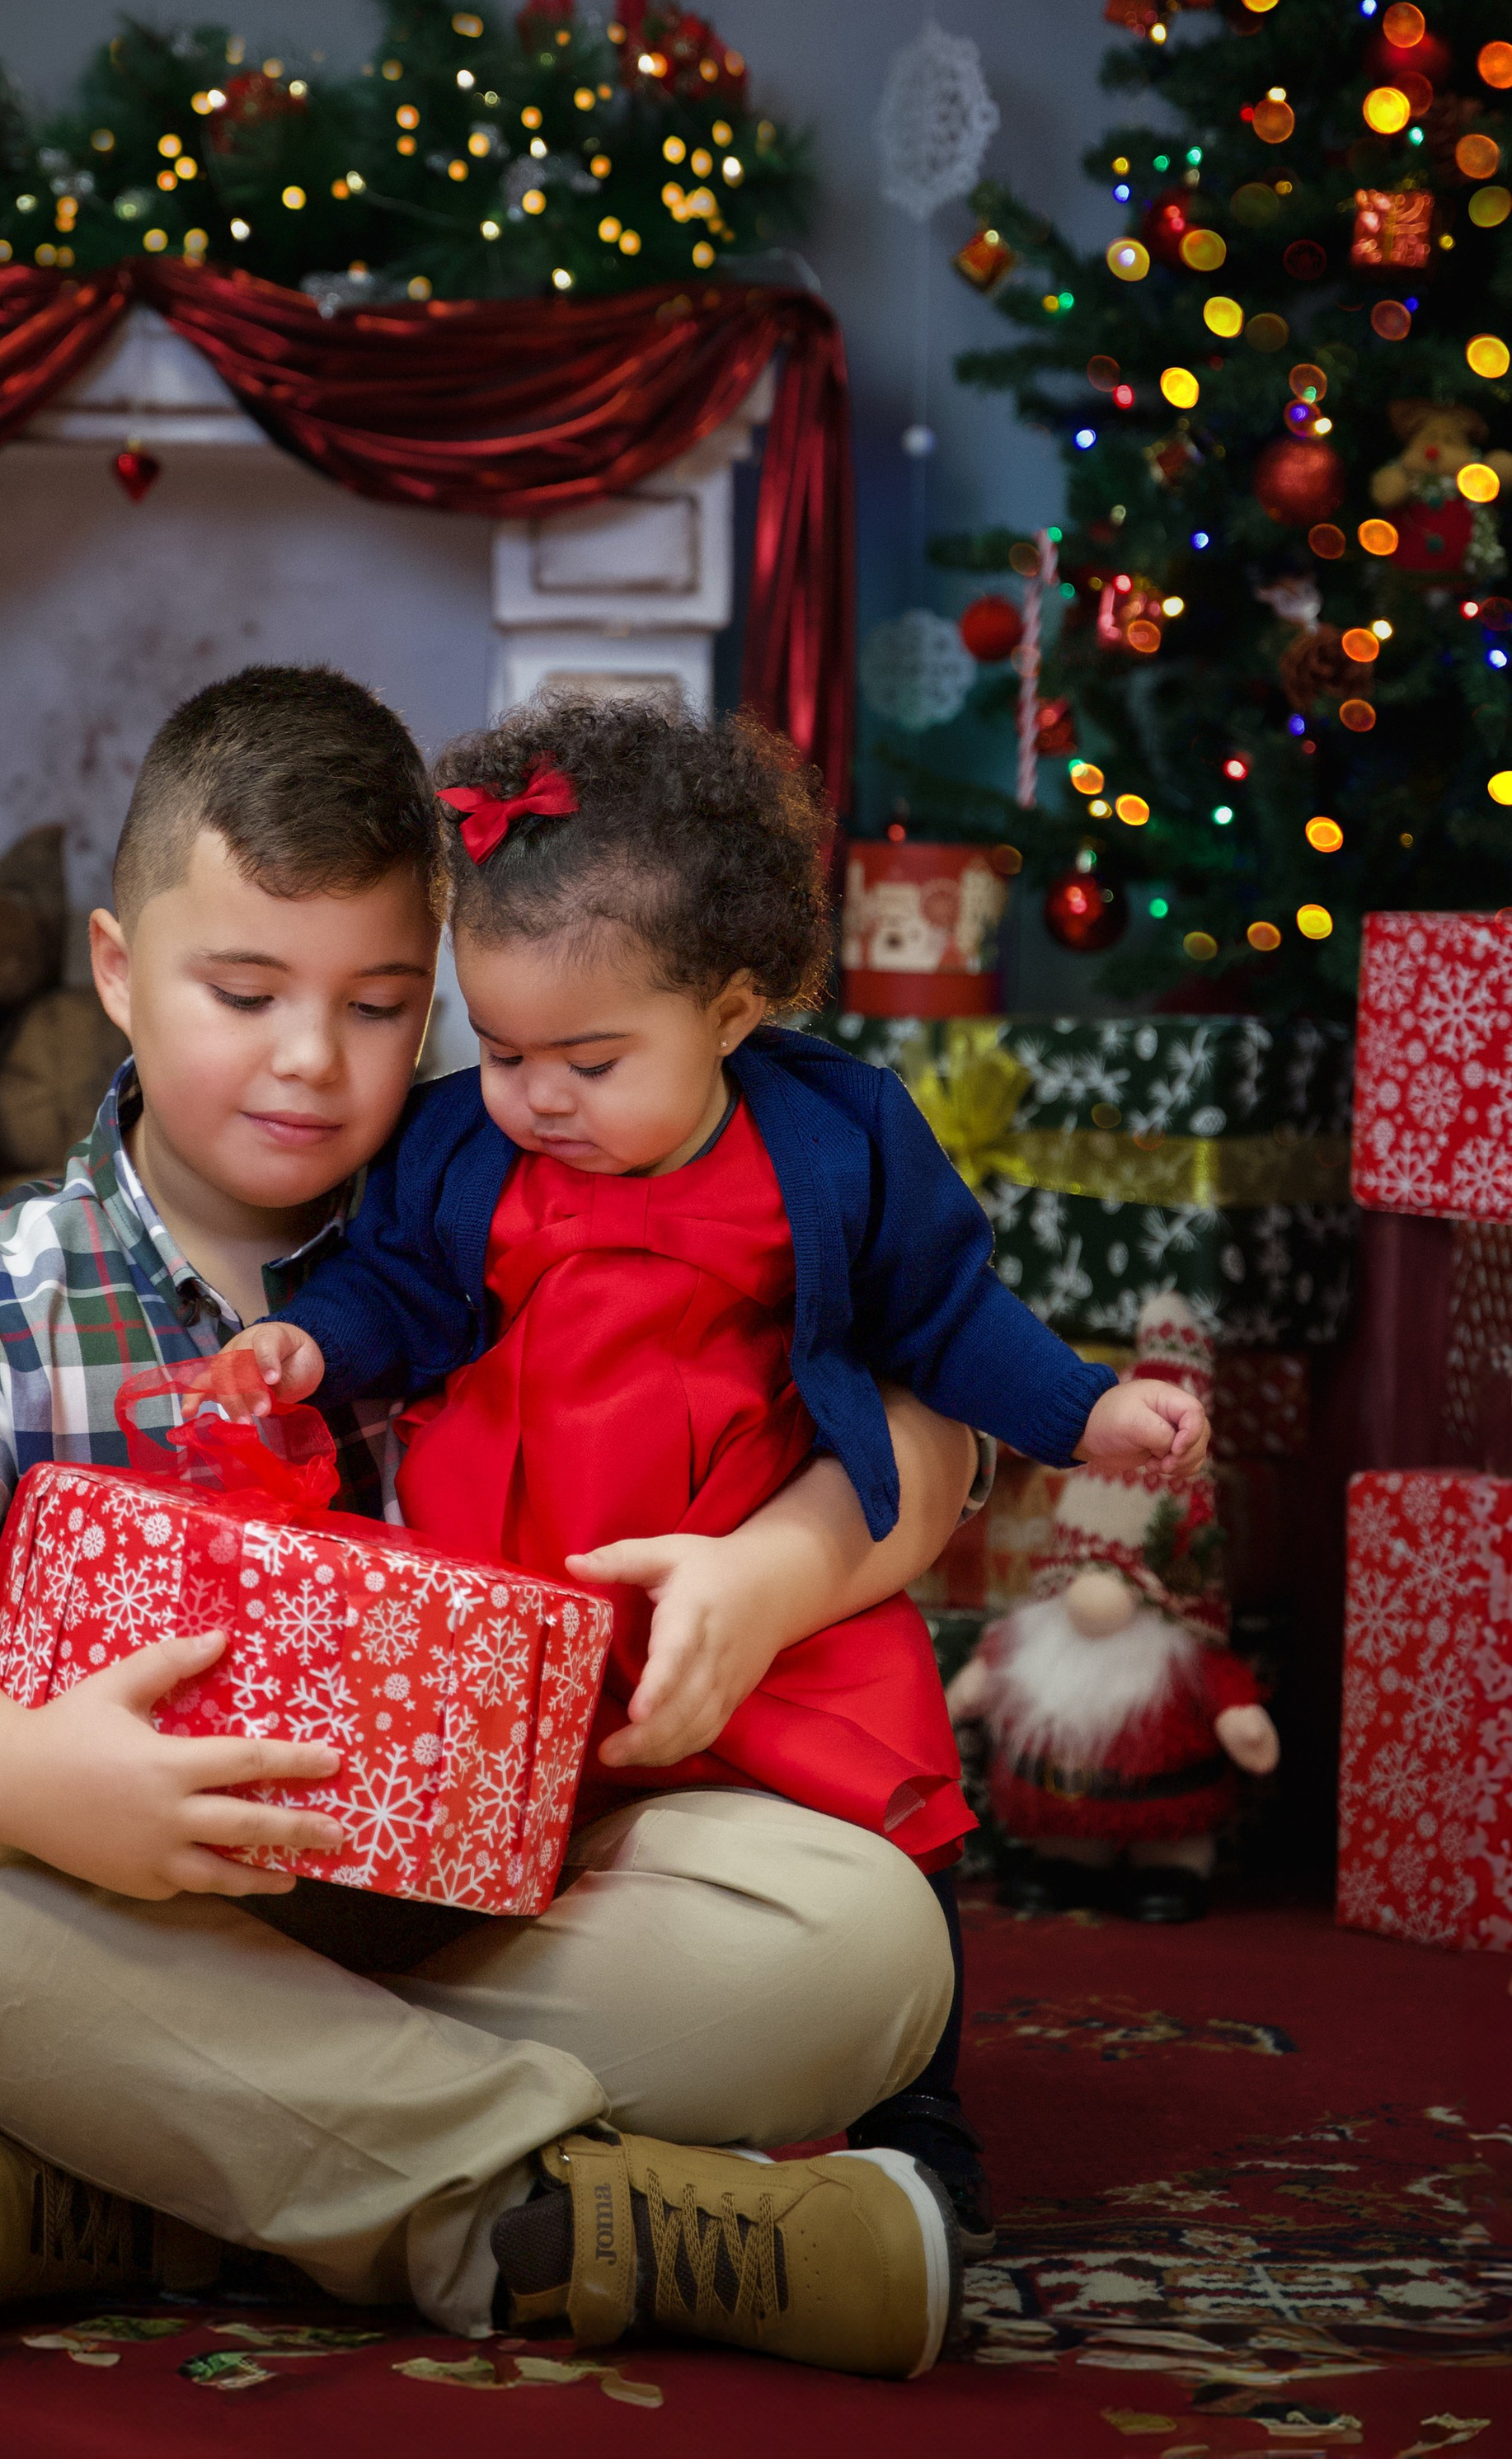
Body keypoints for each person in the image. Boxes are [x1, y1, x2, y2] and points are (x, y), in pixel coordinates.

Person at [0, 666, 988, 2381]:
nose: (310, 1060)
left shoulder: (550, 1205)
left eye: (383, 1007)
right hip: (149, 1906)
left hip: (520, 1895)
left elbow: (927, 1421)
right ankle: (539, 2220)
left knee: (863, 1947)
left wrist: (773, 1575)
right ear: (114, 971)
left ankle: (164, 2181)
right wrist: (40, 1787)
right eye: (242, 992)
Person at [223, 699, 1212, 2257]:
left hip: (756, 1564)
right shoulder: (457, 1152)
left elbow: (944, 1318)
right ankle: (485, 2103)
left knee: (895, 1815)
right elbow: (394, 1294)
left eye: (594, 1060)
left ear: (735, 1007)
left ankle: (915, 2111)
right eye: (502, 1052)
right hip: (526, 1585)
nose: (537, 1097)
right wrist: (310, 1350)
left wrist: (1085, 1414)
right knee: (492, 1847)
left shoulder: (836, 1140)